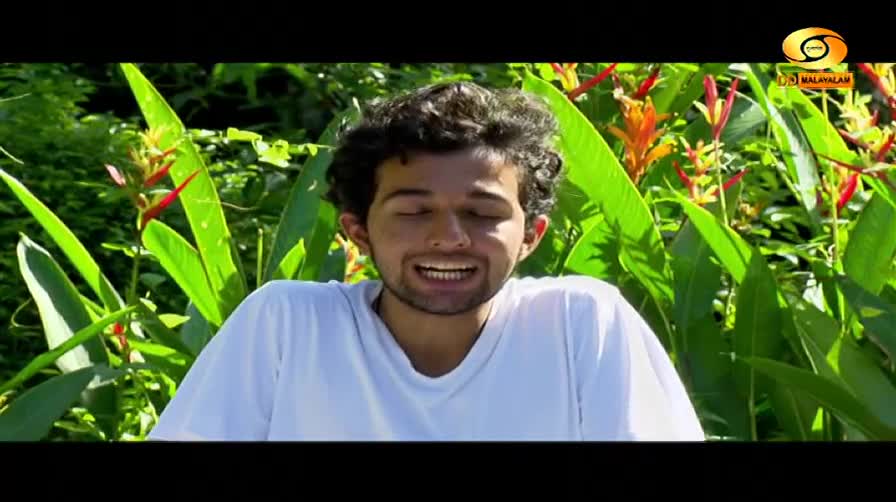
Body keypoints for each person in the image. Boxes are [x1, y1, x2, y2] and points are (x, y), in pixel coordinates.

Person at [147, 81, 706, 441]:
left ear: (532, 235)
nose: (448, 238)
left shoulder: (580, 322)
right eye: (414, 211)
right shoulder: (287, 324)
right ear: (358, 231)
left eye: (482, 212)